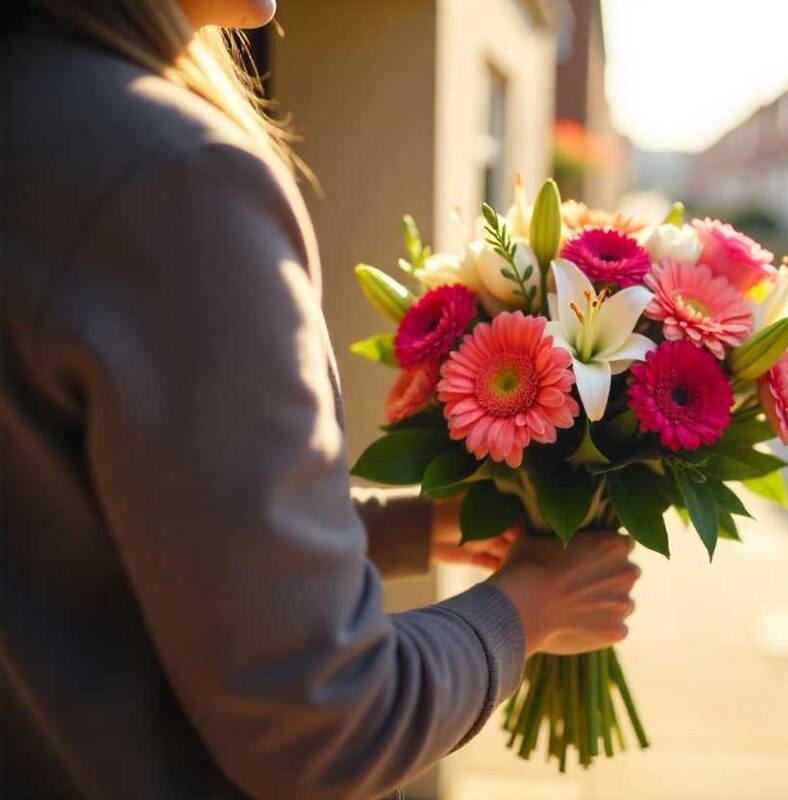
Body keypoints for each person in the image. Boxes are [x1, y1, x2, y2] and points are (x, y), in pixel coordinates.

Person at [1, 0, 640, 797]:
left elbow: (103, 539)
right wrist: (527, 612)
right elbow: (327, 727)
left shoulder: (41, 114)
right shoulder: (167, 177)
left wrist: (407, 527)